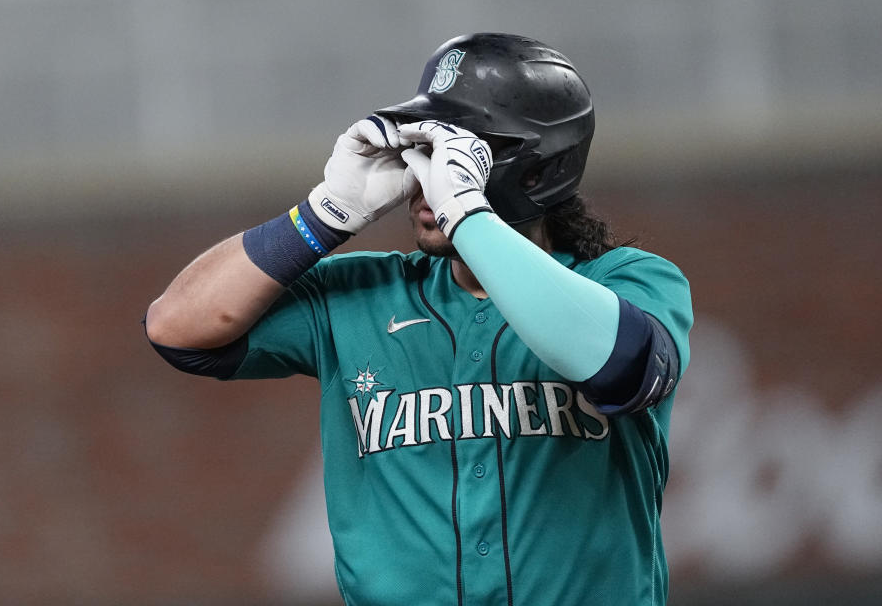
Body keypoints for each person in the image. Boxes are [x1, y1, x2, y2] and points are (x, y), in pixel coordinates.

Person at [145, 33, 693, 606]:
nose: (427, 173)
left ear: (536, 172)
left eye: (460, 153)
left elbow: (622, 368)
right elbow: (178, 329)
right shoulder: (364, 292)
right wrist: (323, 214)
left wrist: (468, 215)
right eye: (426, 149)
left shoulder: (626, 281)